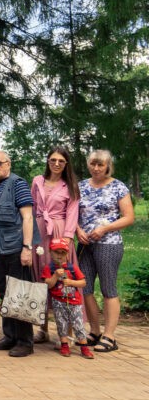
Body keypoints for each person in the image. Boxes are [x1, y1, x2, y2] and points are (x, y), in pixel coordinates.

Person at [77, 149, 134, 353]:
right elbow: (72, 214)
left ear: (108, 165)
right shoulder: (81, 186)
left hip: (109, 243)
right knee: (85, 288)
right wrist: (78, 230)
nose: (96, 168)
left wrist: (105, 228)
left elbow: (128, 217)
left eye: (101, 164)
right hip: (85, 244)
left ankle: (110, 336)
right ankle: (94, 331)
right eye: (93, 163)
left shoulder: (118, 186)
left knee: (108, 288)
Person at [0, 150, 35, 357]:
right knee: (5, 292)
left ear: (8, 163)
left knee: (19, 293)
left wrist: (27, 247)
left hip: (15, 247)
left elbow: (28, 217)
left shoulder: (18, 184)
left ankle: (25, 341)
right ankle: (10, 336)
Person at [30, 146, 80, 344]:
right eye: (53, 160)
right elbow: (32, 208)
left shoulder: (70, 186)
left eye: (61, 161)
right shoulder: (37, 181)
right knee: (41, 277)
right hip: (39, 231)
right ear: (48, 161)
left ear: (66, 164)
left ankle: (66, 332)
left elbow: (73, 213)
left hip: (59, 232)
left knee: (63, 278)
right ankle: (42, 328)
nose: (57, 164)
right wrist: (28, 236)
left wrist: (67, 238)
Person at [41, 239, 93, 359]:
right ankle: (64, 345)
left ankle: (84, 347)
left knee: (78, 324)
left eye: (62, 253)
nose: (60, 255)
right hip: (58, 302)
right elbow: (48, 284)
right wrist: (55, 276)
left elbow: (83, 282)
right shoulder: (49, 268)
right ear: (50, 252)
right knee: (61, 324)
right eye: (56, 252)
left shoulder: (72, 268)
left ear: (67, 254)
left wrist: (71, 282)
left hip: (75, 302)